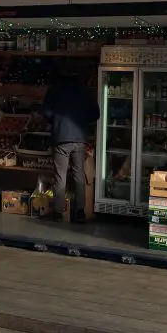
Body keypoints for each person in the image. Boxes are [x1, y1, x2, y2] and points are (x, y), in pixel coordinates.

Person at [41, 71, 100, 222]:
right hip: (80, 138)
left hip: (61, 137)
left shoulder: (55, 89)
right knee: (78, 174)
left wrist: (56, 122)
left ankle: (59, 211)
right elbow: (96, 114)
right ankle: (79, 212)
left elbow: (46, 111)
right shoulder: (84, 90)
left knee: (60, 176)